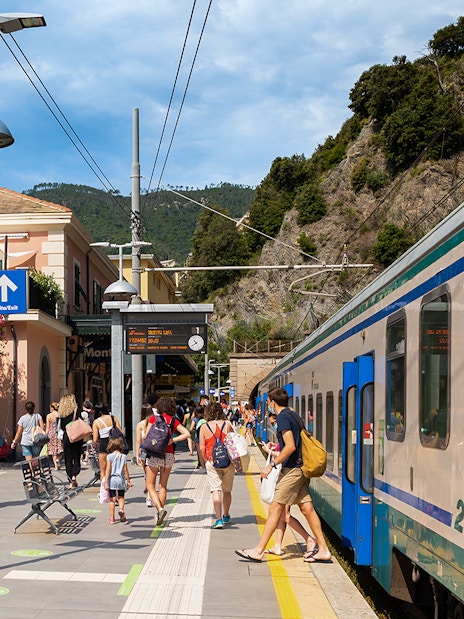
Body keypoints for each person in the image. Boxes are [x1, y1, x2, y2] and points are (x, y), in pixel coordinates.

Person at [235, 387, 331, 563]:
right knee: (306, 509)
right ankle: (323, 549)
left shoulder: (283, 417)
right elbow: (293, 442)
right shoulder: (292, 414)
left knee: (275, 507)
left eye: (268, 403)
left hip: (293, 470)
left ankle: (258, 550)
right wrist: (276, 446)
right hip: (300, 468)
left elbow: (290, 446)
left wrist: (271, 465)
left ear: (272, 402)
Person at [262, 411, 317, 558]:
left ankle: (309, 539)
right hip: (290, 470)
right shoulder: (293, 419)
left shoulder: (285, 420)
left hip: (290, 472)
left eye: (274, 424)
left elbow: (288, 449)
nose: (275, 427)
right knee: (284, 513)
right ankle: (278, 546)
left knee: (283, 513)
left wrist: (270, 454)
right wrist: (276, 446)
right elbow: (285, 447)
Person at [145, 396, 190, 526]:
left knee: (150, 485)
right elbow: (186, 433)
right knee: (162, 486)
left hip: (154, 454)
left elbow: (146, 436)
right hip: (168, 454)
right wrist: (172, 440)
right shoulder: (173, 421)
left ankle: (160, 509)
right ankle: (160, 515)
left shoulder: (153, 419)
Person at [199, 402, 235, 529]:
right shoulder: (228, 425)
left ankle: (218, 519)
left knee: (216, 490)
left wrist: (205, 461)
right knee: (227, 490)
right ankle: (226, 515)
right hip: (228, 462)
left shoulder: (204, 427)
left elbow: (202, 447)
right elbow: (234, 442)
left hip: (212, 461)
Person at [57, 393, 84, 488]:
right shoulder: (77, 410)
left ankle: (70, 480)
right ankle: (74, 475)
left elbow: (61, 427)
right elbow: (81, 421)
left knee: (68, 458)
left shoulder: (61, 413)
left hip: (67, 436)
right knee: (77, 456)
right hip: (76, 435)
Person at [92, 402, 123, 481]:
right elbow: (120, 432)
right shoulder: (113, 418)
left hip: (103, 445)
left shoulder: (96, 422)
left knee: (103, 471)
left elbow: (95, 439)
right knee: (115, 469)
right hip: (114, 445)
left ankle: (104, 490)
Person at [105, 436, 132, 524]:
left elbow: (108, 469)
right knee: (121, 497)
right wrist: (128, 481)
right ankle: (121, 509)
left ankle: (112, 518)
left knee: (112, 499)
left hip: (112, 479)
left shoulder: (109, 456)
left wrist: (105, 482)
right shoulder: (123, 456)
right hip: (121, 480)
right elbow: (125, 470)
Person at [135, 402, 154, 507]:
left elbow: (138, 441)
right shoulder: (155, 423)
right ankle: (150, 496)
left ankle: (148, 492)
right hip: (154, 451)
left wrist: (137, 454)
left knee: (146, 473)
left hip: (144, 451)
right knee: (152, 474)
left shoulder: (140, 425)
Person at [46, 401, 64, 470]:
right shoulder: (60, 415)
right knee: (61, 448)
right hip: (59, 433)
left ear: (52, 408)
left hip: (51, 433)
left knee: (53, 451)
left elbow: (47, 427)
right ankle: (58, 459)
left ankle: (56, 466)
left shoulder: (49, 416)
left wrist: (46, 434)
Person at [80, 399, 94, 466]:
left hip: (83, 430)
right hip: (90, 430)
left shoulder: (83, 413)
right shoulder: (92, 412)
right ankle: (86, 459)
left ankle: (81, 458)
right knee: (89, 446)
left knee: (80, 445)